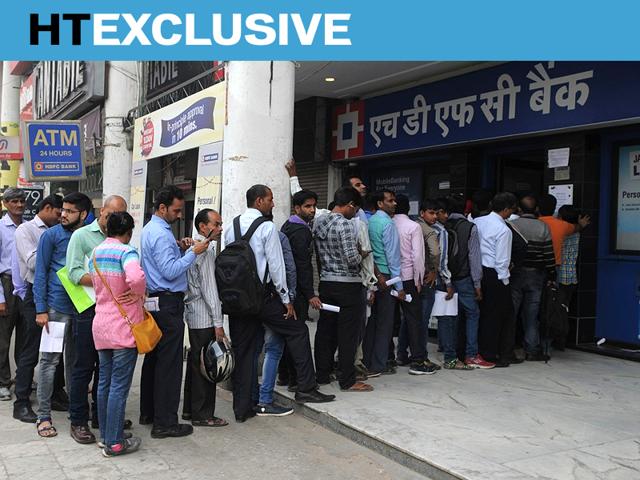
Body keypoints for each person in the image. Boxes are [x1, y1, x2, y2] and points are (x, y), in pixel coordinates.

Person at [225, 184, 334, 423]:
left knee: (245, 351)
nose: (273, 204)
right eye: (270, 199)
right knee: (298, 330)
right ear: (259, 201)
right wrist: (286, 300)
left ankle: (243, 408)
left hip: (238, 298)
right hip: (263, 297)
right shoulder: (266, 227)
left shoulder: (231, 227)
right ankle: (305, 387)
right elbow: (276, 266)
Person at [139, 185, 209, 438]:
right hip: (167, 303)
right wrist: (193, 252)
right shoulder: (159, 233)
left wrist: (180, 247)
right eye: (177, 210)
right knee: (168, 365)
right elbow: (169, 271)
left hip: (157, 301)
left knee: (154, 360)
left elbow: (161, 264)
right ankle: (165, 423)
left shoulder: (151, 230)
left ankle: (149, 413)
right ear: (162, 207)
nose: (180, 215)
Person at [66, 194, 128, 444]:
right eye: (110, 214)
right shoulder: (82, 236)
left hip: (113, 311)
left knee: (107, 369)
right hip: (88, 309)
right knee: (83, 367)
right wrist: (106, 278)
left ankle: (103, 419)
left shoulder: (120, 239)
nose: (113, 219)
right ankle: (78, 421)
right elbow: (73, 272)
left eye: (119, 216)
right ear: (101, 212)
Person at [34, 192, 92, 438]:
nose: (63, 214)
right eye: (63, 210)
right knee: (49, 362)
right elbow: (40, 272)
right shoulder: (51, 235)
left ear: (83, 214)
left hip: (82, 309)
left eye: (69, 211)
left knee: (76, 364)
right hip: (56, 309)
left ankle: (75, 413)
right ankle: (43, 416)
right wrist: (40, 309)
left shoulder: (90, 235)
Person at [89, 212, 144, 457]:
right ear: (129, 231)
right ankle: (115, 444)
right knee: (119, 387)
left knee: (104, 383)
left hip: (101, 324)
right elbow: (136, 277)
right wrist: (137, 294)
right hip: (123, 326)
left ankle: (106, 435)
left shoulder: (97, 252)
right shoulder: (126, 252)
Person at [313, 187, 373, 392]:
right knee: (348, 334)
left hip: (326, 282)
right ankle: (347, 380)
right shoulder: (346, 225)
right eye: (355, 210)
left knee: (326, 330)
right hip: (347, 285)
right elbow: (351, 259)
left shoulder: (319, 221)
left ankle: (321, 373)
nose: (355, 214)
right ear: (350, 205)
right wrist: (362, 254)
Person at [12, 195, 63, 422]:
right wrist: (55, 251)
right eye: (58, 211)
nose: (61, 216)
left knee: (56, 348)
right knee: (31, 350)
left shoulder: (59, 229)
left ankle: (56, 394)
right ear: (47, 208)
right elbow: (33, 262)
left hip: (56, 294)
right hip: (35, 294)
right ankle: (21, 400)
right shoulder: (26, 230)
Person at [182, 209, 229, 427]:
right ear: (203, 226)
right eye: (216, 224)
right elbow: (210, 290)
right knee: (207, 366)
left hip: (194, 314)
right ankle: (203, 415)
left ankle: (191, 411)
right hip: (204, 317)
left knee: (196, 363)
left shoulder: (192, 248)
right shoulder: (204, 251)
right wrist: (218, 323)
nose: (219, 228)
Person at [445, 194, 494, 369]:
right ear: (466, 209)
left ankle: (450, 351)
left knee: (451, 316)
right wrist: (477, 284)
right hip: (464, 277)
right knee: (472, 314)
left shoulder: (442, 224)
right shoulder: (470, 227)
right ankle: (471, 354)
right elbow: (474, 257)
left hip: (447, 277)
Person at [278, 190, 320, 389]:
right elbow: (303, 265)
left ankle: (285, 375)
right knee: (297, 336)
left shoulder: (288, 225)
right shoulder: (301, 231)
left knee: (287, 336)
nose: (312, 210)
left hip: (287, 289)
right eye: (307, 206)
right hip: (297, 291)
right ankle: (296, 380)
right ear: (297, 208)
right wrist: (310, 293)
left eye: (313, 206)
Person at [252, 229, 297, 416]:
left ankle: (250, 396)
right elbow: (286, 267)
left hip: (246, 300)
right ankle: (265, 400)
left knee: (252, 350)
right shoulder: (275, 235)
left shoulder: (235, 228)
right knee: (273, 349)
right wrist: (289, 299)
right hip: (271, 299)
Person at [363, 190, 406, 377]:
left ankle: (366, 361)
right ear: (380, 204)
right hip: (387, 277)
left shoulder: (369, 222)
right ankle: (378, 364)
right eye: (390, 201)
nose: (394, 203)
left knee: (371, 323)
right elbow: (393, 257)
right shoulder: (388, 224)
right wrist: (400, 287)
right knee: (384, 325)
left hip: (371, 275)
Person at [392, 194, 435, 375]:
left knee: (387, 319)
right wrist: (418, 280)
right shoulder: (413, 226)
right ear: (409, 208)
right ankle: (418, 360)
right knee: (414, 319)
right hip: (408, 277)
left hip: (390, 278)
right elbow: (418, 256)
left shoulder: (388, 223)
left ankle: (395, 355)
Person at [510, 195, 556, 361]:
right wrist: (551, 273)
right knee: (531, 314)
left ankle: (509, 348)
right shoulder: (543, 227)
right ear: (536, 209)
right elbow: (548, 253)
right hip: (536, 274)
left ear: (519, 209)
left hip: (515, 274)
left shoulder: (512, 225)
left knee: (512, 312)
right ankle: (531, 349)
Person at [474, 193, 518, 367]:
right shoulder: (504, 230)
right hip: (495, 275)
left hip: (478, 271)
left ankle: (478, 350)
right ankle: (491, 354)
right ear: (506, 209)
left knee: (482, 314)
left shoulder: (478, 221)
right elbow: (502, 261)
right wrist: (505, 282)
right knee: (497, 317)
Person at [432, 200, 472, 371]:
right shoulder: (441, 231)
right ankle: (450, 358)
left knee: (417, 318)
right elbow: (441, 260)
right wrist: (448, 282)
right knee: (447, 318)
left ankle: (405, 354)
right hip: (440, 279)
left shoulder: (420, 227)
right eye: (438, 212)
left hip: (422, 278)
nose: (443, 216)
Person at [0, 188, 26, 401]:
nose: (19, 205)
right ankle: (3, 381)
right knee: (3, 339)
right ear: (6, 203)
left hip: (25, 284)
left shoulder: (28, 227)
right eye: (15, 201)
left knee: (26, 335)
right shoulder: (1, 228)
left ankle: (23, 377)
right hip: (6, 285)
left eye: (22, 201)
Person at [538, 194, 590, 266]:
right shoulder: (563, 226)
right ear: (554, 208)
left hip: (535, 263)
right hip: (554, 264)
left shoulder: (532, 223)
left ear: (537, 208)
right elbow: (577, 228)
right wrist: (581, 225)